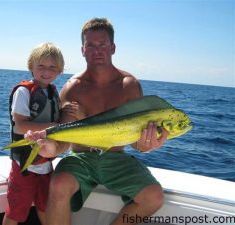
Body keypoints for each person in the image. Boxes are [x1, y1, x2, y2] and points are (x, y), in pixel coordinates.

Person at [25, 18, 168, 225]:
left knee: (154, 197)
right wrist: (51, 149)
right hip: (81, 158)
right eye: (90, 45)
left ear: (113, 47)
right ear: (83, 50)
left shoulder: (129, 86)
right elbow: (65, 138)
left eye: (102, 44)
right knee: (58, 186)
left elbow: (137, 142)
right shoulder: (72, 87)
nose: (96, 50)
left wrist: (148, 145)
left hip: (117, 158)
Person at [2, 42, 82, 225]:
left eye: (52, 67)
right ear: (31, 67)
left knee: (45, 207)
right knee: (16, 212)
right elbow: (19, 126)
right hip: (24, 166)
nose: (46, 71)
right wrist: (55, 126)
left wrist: (66, 111)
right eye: (41, 66)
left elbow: (50, 113)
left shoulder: (53, 92)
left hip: (45, 165)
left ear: (60, 71)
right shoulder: (23, 92)